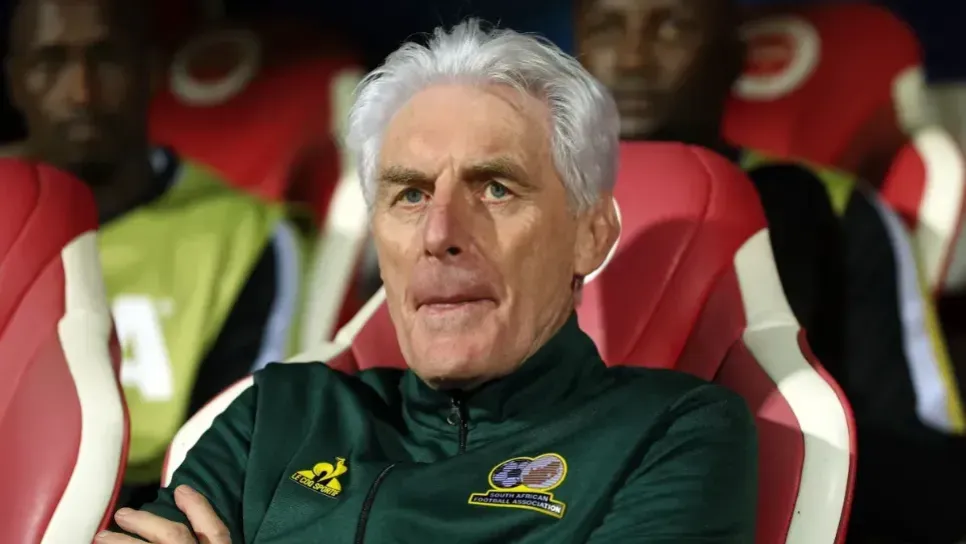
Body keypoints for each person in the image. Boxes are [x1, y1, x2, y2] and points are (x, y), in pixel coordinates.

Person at [96, 20, 759, 543]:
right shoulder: (275, 416)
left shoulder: (673, 435)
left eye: (495, 188)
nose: (440, 233)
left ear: (590, 234)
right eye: (410, 195)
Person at [574, 0, 966, 541]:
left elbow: (920, 452)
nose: (633, 59)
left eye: (671, 27)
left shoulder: (831, 207)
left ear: (734, 54)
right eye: (606, 27)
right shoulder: (515, 206)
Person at [5, 0, 306, 508]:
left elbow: (237, 457)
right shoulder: (7, 211)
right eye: (50, 63)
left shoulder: (245, 238)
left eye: (106, 59)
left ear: (150, 70)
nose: (81, 92)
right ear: (15, 82)